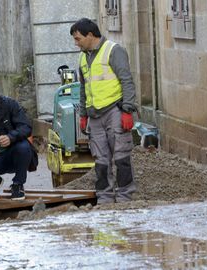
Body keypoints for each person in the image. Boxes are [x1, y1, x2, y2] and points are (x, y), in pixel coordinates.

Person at [70, 18, 137, 204]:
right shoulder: (84, 57)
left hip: (115, 110)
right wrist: (83, 115)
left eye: (78, 39)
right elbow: (83, 88)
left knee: (122, 156)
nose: (76, 43)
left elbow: (127, 81)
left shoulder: (114, 51)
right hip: (95, 116)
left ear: (90, 35)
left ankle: (125, 198)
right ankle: (105, 198)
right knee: (100, 159)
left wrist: (127, 110)